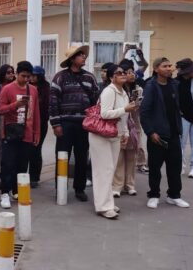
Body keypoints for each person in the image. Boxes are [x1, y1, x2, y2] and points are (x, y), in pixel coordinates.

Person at [49, 45, 99, 202]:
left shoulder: (90, 78)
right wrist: (56, 124)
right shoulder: (60, 77)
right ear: (72, 59)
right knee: (62, 157)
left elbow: (96, 101)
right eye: (80, 55)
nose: (84, 57)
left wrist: (93, 121)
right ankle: (60, 188)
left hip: (84, 125)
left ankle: (80, 188)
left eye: (84, 55)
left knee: (82, 157)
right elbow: (53, 103)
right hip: (65, 124)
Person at [140, 57, 190, 209]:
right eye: (165, 66)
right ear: (156, 69)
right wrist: (150, 132)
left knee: (174, 167)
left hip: (174, 133)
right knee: (155, 167)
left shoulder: (174, 85)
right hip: (157, 135)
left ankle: (174, 195)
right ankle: (154, 195)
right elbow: (144, 112)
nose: (169, 68)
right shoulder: (151, 86)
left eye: (170, 66)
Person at [90, 64, 134, 219]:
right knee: (104, 170)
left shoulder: (124, 92)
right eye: (119, 73)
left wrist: (126, 132)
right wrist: (125, 109)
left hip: (115, 135)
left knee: (110, 169)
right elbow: (104, 114)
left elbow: (125, 118)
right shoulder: (109, 91)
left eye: (124, 72)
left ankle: (107, 202)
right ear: (111, 77)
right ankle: (103, 206)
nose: (123, 74)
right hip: (101, 135)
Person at [0, 61, 40, 209]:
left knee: (22, 165)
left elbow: (36, 114)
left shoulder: (33, 90)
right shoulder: (7, 89)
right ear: (16, 74)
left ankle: (18, 191)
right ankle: (4, 192)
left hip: (27, 132)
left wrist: (36, 133)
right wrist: (16, 105)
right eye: (23, 76)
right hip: (10, 132)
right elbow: (1, 110)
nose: (26, 79)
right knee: (8, 164)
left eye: (29, 76)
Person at [112, 63, 142, 197]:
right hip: (119, 126)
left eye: (131, 72)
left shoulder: (137, 88)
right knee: (118, 157)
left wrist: (138, 101)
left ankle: (130, 185)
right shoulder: (117, 90)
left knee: (131, 156)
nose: (130, 74)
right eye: (126, 72)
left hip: (133, 125)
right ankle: (117, 186)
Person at [28, 66, 50, 189]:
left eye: (34, 75)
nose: (31, 77)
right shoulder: (27, 86)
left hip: (40, 123)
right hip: (27, 123)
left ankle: (34, 177)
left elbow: (45, 107)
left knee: (36, 149)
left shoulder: (45, 88)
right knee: (26, 150)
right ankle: (25, 175)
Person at [0, 64, 15, 178]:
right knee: (1, 143)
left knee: (12, 143)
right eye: (8, 72)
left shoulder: (15, 86)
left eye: (12, 72)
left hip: (13, 118)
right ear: (2, 74)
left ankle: (10, 167)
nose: (11, 74)